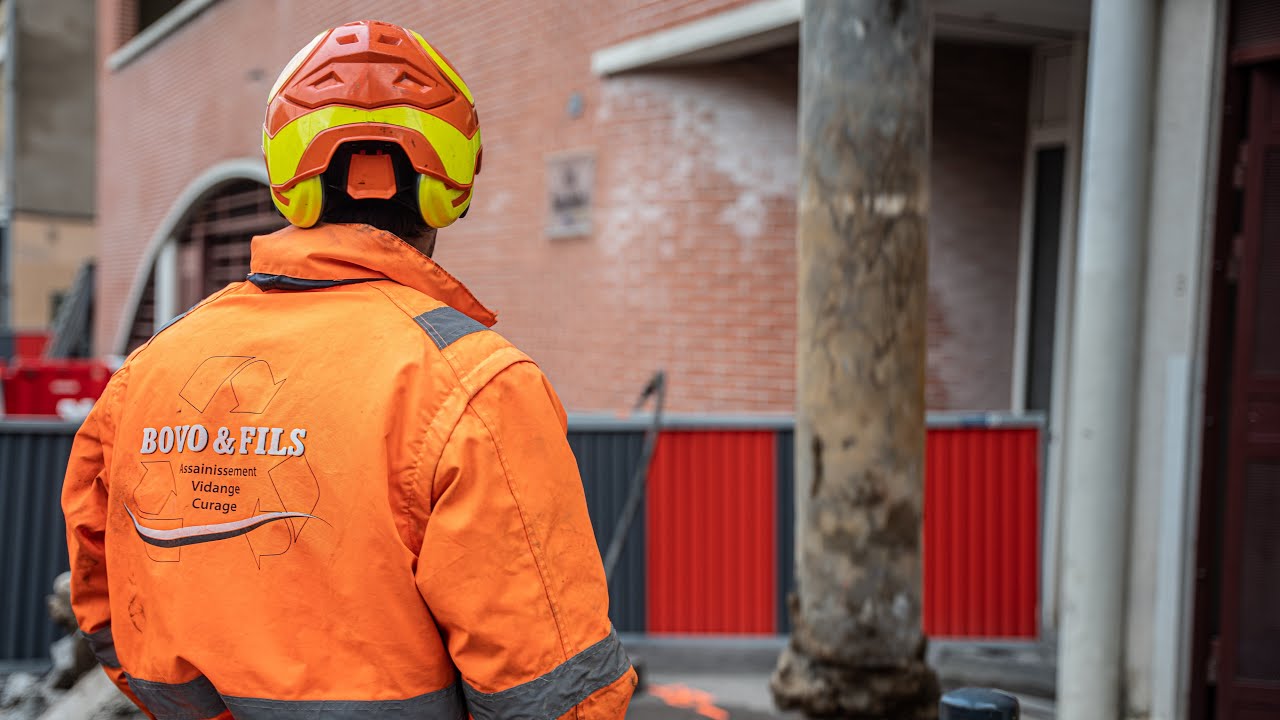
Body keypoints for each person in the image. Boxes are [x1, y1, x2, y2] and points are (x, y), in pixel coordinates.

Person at [61, 20, 634, 720]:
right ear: (450, 179)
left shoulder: (151, 369)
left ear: (288, 175)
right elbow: (556, 693)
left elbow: (102, 594)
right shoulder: (476, 385)